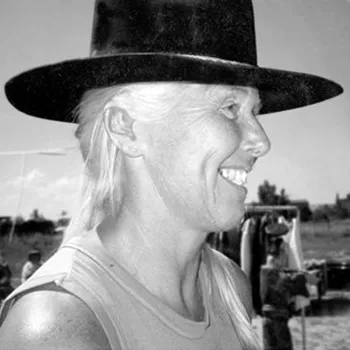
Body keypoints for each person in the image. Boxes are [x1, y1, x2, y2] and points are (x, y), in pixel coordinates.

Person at [0, 0, 342, 349]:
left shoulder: (229, 286)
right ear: (126, 127)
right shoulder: (59, 327)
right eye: (229, 108)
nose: (261, 141)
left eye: (256, 111)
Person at [260, 224, 318, 350]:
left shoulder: (264, 272)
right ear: (280, 253)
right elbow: (294, 283)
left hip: (266, 320)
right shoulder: (281, 276)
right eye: (284, 253)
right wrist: (306, 277)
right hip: (278, 321)